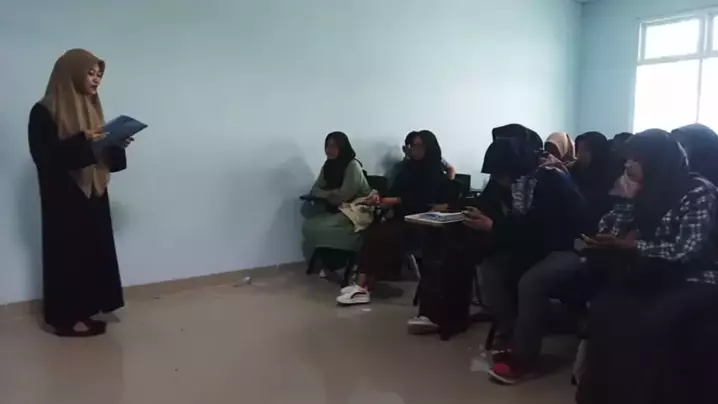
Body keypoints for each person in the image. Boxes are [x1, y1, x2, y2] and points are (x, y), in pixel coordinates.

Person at [576, 130, 718, 404]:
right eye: (627, 160)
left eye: (635, 159)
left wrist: (631, 246)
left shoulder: (698, 190)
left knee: (651, 322)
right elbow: (610, 227)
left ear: (656, 160)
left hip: (698, 277)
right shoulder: (646, 188)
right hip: (658, 273)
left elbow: (686, 250)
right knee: (605, 309)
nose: (628, 166)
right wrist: (623, 201)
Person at [463, 137, 589, 384]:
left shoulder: (550, 180)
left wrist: (493, 226)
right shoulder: (506, 181)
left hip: (568, 247)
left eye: (502, 175)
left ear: (516, 169)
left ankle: (525, 359)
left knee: (531, 282)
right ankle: (510, 332)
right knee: (492, 266)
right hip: (531, 246)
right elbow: (487, 205)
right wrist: (470, 211)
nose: (499, 180)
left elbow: (541, 230)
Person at [28, 49, 131, 337]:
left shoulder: (91, 107)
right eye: (90, 73)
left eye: (99, 74)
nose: (96, 79)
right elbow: (46, 157)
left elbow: (106, 160)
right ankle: (65, 319)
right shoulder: (44, 111)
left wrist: (116, 144)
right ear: (71, 73)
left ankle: (86, 310)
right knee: (68, 257)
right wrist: (85, 141)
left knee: (91, 254)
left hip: (93, 193)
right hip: (64, 196)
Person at [336, 130, 447, 305]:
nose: (415, 149)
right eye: (413, 146)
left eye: (419, 146)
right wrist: (379, 198)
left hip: (420, 222)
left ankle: (362, 286)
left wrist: (396, 200)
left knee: (383, 236)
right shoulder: (408, 168)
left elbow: (425, 201)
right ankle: (363, 284)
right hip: (400, 218)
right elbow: (394, 190)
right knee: (373, 233)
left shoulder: (435, 172)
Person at [302, 132, 372, 273]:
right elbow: (315, 189)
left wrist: (331, 194)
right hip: (338, 209)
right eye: (327, 146)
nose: (329, 150)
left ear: (342, 147)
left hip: (356, 210)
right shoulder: (328, 165)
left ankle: (344, 262)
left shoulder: (352, 166)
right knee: (309, 225)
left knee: (323, 227)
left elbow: (345, 194)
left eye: (333, 146)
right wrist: (330, 194)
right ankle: (333, 263)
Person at [570, 132, 615, 226]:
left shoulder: (609, 177)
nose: (579, 155)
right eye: (578, 150)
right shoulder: (574, 170)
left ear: (598, 152)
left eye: (585, 150)